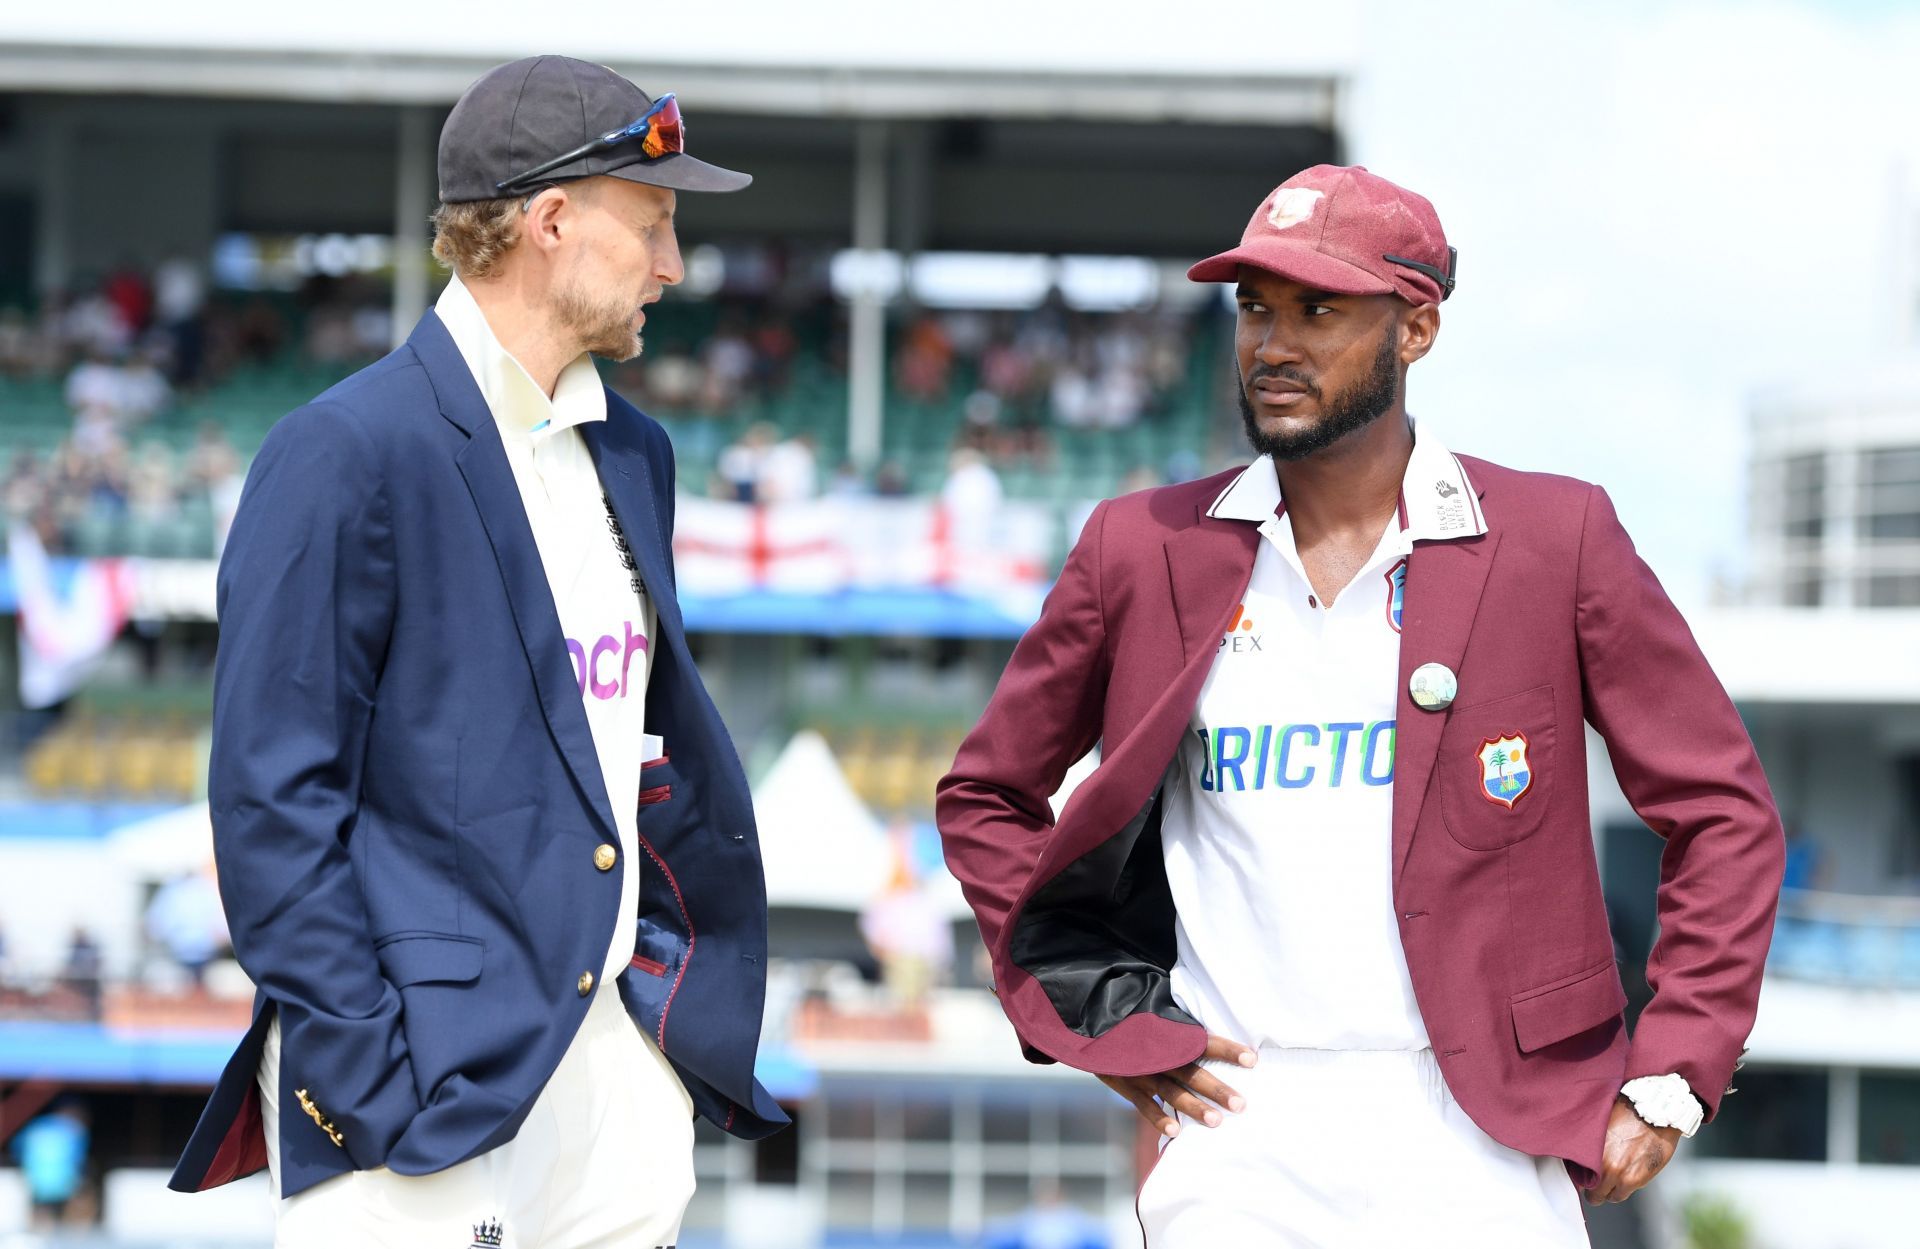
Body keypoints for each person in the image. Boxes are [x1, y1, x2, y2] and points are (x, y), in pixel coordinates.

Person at [936, 165, 1784, 1246]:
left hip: (1489, 1132)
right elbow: (984, 793)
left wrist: (1672, 1071)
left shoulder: (1555, 539)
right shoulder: (1140, 548)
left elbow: (1724, 814)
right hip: (1238, 1122)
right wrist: (1105, 1017)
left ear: (1416, 329)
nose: (1273, 343)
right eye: (1254, 307)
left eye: (1318, 309)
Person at [167, 56, 788, 1247]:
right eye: (653, 222)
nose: (673, 263)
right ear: (550, 223)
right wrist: (366, 1077)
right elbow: (268, 805)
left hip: (607, 1084)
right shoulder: (342, 451)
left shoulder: (635, 454)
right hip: (419, 1098)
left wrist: (652, 1043)